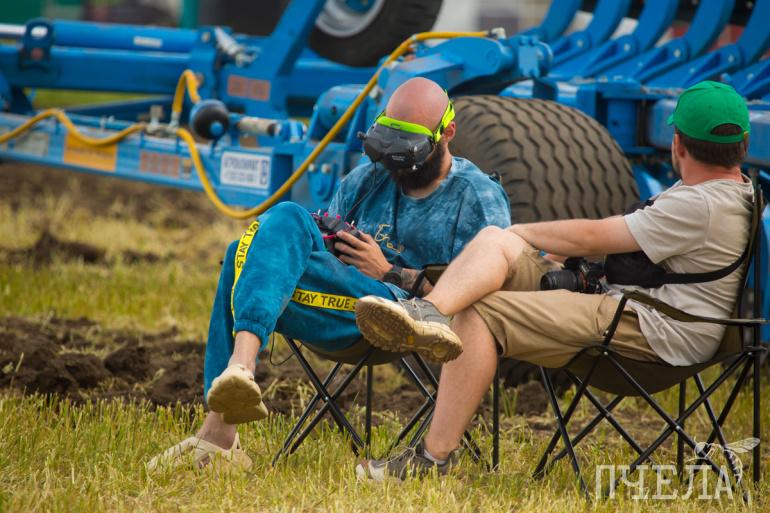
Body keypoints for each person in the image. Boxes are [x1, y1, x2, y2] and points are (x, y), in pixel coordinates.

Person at [354, 81, 755, 481]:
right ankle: (426, 313)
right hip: (640, 309)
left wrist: (525, 233)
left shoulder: (701, 205)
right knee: (496, 239)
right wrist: (522, 242)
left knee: (481, 312)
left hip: (653, 331)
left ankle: (432, 459)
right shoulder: (725, 193)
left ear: (677, 144)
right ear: (744, 144)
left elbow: (596, 236)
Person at [148, 77, 511, 471]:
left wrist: (390, 272)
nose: (396, 170)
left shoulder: (475, 196)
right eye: (388, 152)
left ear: (447, 133)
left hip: (399, 319)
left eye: (408, 155)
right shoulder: (366, 179)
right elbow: (314, 245)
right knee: (276, 225)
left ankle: (219, 432)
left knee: (243, 258)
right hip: (331, 305)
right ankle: (240, 370)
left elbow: (490, 292)